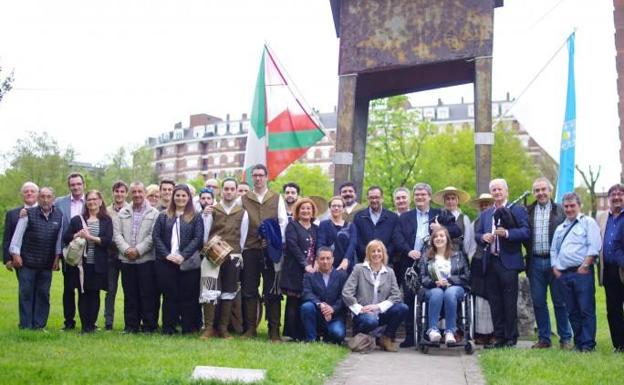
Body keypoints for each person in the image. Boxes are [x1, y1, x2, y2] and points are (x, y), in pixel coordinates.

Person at [395, 182, 461, 347]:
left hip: (435, 263)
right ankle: (411, 336)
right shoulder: (405, 217)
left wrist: (441, 228)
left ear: (429, 197)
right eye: (416, 194)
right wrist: (408, 250)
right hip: (411, 263)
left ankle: (433, 331)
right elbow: (397, 237)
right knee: (409, 298)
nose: (419, 197)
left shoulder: (440, 214)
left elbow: (457, 231)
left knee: (437, 293)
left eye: (423, 194)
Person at [475, 178, 530, 348]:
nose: (497, 193)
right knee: (495, 302)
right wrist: (483, 237)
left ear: (506, 192)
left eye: (500, 189)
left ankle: (511, 337)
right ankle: (498, 336)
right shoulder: (485, 214)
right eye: (494, 190)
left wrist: (506, 233)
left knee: (509, 301)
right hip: (490, 262)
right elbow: (477, 235)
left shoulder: (517, 210)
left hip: (509, 262)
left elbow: (526, 232)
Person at [240, 164, 288, 341]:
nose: (258, 178)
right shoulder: (244, 199)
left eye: (261, 175)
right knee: (249, 289)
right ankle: (250, 328)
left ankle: (274, 330)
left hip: (271, 251)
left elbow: (283, 223)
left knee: (273, 290)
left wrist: (277, 245)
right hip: (250, 249)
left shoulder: (276, 198)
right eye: (255, 175)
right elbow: (240, 224)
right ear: (252, 178)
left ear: (267, 177)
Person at [524, 177, 571, 349]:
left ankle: (565, 338)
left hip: (556, 263)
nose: (540, 193)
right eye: (537, 190)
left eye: (543, 189)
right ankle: (544, 338)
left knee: (560, 301)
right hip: (535, 262)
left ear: (550, 191)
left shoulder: (561, 210)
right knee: (538, 302)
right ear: (534, 193)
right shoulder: (527, 211)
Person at [551, 192, 601, 352]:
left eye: (572, 205)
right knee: (572, 311)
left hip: (582, 273)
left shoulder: (588, 222)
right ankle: (578, 342)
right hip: (564, 274)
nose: (569, 209)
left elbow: (594, 245)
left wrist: (585, 265)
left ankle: (588, 344)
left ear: (579, 206)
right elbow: (554, 250)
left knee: (586, 309)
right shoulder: (560, 228)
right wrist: (555, 268)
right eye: (566, 206)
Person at [198, 181, 248, 339]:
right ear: (221, 191)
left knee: (228, 291)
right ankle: (209, 328)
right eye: (226, 189)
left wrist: (236, 252)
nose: (229, 192)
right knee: (210, 290)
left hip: (233, 256)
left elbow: (243, 237)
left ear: (236, 192)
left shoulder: (242, 212)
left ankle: (223, 328)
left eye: (232, 189)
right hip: (212, 255)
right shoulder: (212, 210)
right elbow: (206, 234)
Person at [153, 184, 204, 334]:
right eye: (178, 195)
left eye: (184, 195)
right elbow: (156, 237)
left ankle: (188, 327)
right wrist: (167, 255)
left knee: (188, 296)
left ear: (188, 198)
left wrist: (183, 255)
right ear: (173, 197)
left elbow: (198, 238)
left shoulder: (196, 216)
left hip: (188, 263)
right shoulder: (163, 215)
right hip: (166, 262)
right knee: (169, 296)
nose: (180, 198)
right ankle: (168, 327)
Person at [9, 187, 62, 329]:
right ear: (38, 198)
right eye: (43, 196)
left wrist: (57, 258)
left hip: (46, 264)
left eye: (48, 197)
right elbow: (17, 237)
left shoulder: (59, 215)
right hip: (27, 263)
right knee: (26, 294)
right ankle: (26, 325)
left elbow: (58, 240)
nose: (45, 200)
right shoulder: (28, 214)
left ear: (53, 198)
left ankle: (39, 326)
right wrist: (15, 254)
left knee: (43, 295)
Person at [342, 239, 408, 352]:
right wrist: (360, 308)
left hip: (381, 313)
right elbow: (346, 292)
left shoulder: (389, 272)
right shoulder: (359, 269)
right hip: (363, 314)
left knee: (402, 308)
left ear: (383, 254)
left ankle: (385, 337)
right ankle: (361, 336)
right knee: (371, 321)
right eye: (373, 251)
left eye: (379, 251)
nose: (376, 254)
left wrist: (378, 307)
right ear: (368, 254)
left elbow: (396, 295)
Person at [113, 181, 160, 333]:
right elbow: (116, 234)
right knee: (130, 295)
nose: (137, 195)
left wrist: (138, 250)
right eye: (134, 192)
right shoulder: (123, 212)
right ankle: (131, 326)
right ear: (130, 194)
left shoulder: (154, 213)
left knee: (147, 294)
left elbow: (153, 236)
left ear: (145, 193)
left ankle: (148, 326)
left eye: (140, 192)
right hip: (127, 261)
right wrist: (127, 250)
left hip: (146, 260)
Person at [63, 190, 113, 333]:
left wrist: (90, 237)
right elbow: (66, 238)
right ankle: (85, 326)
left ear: (100, 201)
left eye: (95, 199)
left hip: (98, 264)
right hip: (81, 265)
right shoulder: (77, 220)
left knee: (95, 294)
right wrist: (78, 234)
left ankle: (92, 325)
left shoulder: (106, 220)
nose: (92, 202)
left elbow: (107, 241)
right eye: (89, 199)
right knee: (83, 293)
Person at [420, 227, 470, 344]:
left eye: (441, 236)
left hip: (455, 287)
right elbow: (422, 278)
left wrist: (449, 280)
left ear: (447, 239)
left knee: (449, 292)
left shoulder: (458, 256)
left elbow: (466, 276)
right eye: (436, 237)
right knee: (437, 292)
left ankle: (450, 332)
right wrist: (434, 283)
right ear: (432, 240)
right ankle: (433, 330)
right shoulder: (426, 257)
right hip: (433, 289)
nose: (439, 238)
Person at [280, 197, 318, 341]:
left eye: (309, 208)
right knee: (293, 302)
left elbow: (319, 246)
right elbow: (293, 246)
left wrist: (315, 264)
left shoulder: (316, 228)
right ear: (297, 210)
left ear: (313, 211)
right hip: (294, 270)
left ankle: (303, 333)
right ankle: (291, 334)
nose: (306, 211)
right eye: (303, 208)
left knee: (306, 301)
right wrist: (305, 264)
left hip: (312, 271)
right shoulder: (292, 226)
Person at [55, 172, 86, 331]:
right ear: (69, 186)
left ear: (83, 185)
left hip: (86, 253)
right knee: (68, 289)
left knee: (84, 290)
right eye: (72, 184)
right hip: (68, 252)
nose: (75, 187)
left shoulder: (92, 201)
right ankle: (69, 322)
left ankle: (86, 323)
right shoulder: (59, 203)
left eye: (78, 184)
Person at [300, 247, 348, 344]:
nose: (325, 261)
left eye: (328, 258)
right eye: (322, 259)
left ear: (333, 259)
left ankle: (327, 336)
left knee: (338, 334)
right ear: (317, 260)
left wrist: (332, 309)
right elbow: (306, 293)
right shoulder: (309, 276)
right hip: (317, 315)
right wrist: (320, 304)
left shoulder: (342, 275)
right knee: (306, 306)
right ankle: (311, 339)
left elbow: (344, 297)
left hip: (335, 316)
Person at [467, 193, 495, 345]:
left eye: (487, 203)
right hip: (478, 262)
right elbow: (470, 246)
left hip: (493, 262)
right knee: (478, 297)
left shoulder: (498, 220)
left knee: (492, 297)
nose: (484, 206)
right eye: (482, 204)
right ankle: (480, 333)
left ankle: (493, 332)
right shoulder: (474, 223)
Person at [599, 183, 624, 352]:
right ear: (609, 199)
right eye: (613, 194)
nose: (616, 197)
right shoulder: (601, 217)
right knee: (613, 310)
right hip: (608, 269)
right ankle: (619, 345)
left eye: (620, 194)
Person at [352, 186, 403, 264]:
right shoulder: (359, 217)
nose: (374, 200)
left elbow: (395, 239)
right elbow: (357, 239)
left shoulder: (393, 217)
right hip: (364, 261)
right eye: (371, 198)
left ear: (382, 198)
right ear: (368, 199)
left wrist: (383, 254)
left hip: (386, 262)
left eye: (377, 197)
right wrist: (368, 254)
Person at [103, 180, 128, 331]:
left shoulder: (131, 210)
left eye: (122, 192)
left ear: (126, 194)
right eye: (116, 191)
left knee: (128, 290)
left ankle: (129, 322)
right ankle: (108, 322)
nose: (119, 194)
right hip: (111, 255)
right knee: (110, 290)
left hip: (126, 256)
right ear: (113, 193)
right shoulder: (106, 211)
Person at [3, 182, 39, 274]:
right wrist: (7, 259)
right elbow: (7, 237)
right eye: (26, 191)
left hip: (42, 260)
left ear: (38, 194)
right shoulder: (12, 214)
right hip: (20, 260)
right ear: (22, 195)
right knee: (25, 288)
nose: (29, 193)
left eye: (32, 191)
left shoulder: (46, 212)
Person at [432, 186, 476, 257]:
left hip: (458, 254)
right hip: (440, 255)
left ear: (457, 201)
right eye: (448, 199)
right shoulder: (438, 217)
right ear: (444, 201)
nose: (450, 201)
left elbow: (467, 239)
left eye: (453, 199)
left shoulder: (464, 218)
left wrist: (465, 255)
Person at [317, 196, 356, 271]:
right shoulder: (323, 224)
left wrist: (346, 260)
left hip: (346, 265)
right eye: (333, 206)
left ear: (344, 209)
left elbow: (352, 244)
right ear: (329, 208)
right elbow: (320, 243)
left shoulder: (351, 226)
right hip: (327, 265)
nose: (336, 208)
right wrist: (325, 260)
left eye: (339, 206)